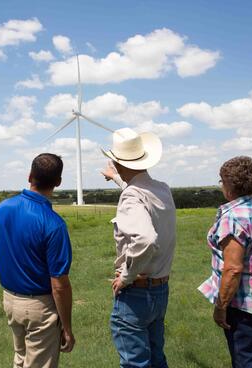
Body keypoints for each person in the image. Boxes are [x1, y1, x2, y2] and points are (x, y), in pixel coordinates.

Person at [0, 153, 75, 368]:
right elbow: (59, 285)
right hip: (39, 307)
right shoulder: (54, 224)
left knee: (20, 360)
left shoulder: (2, 208)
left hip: (9, 300)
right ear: (58, 182)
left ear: (30, 176)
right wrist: (66, 327)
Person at [101, 127, 176, 368]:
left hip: (136, 292)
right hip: (160, 290)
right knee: (156, 358)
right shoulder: (162, 189)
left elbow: (145, 239)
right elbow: (139, 194)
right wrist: (117, 178)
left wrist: (126, 276)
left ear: (116, 160)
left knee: (136, 364)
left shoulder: (132, 196)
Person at [198, 156, 252, 368]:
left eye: (221, 181)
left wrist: (220, 306)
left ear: (228, 185)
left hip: (244, 304)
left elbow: (233, 269)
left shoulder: (233, 216)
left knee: (245, 360)